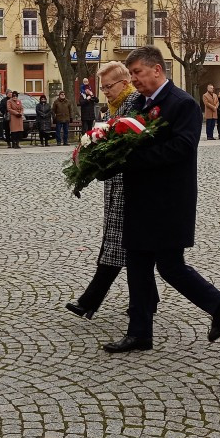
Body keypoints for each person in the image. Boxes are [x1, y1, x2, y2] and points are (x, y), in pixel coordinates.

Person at [101, 46, 220, 354]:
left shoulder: (181, 103)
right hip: (140, 198)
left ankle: (218, 302)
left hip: (169, 200)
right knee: (137, 265)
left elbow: (183, 148)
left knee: (171, 266)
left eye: (137, 72)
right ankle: (139, 333)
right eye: (131, 73)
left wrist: (132, 159)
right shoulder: (140, 104)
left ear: (157, 70)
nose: (133, 79)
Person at [67, 61, 150, 319]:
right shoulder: (116, 106)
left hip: (129, 188)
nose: (105, 92)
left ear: (124, 84)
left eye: (108, 86)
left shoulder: (133, 104)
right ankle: (148, 302)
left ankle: (89, 301)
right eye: (102, 87)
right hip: (117, 187)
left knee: (116, 246)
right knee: (134, 253)